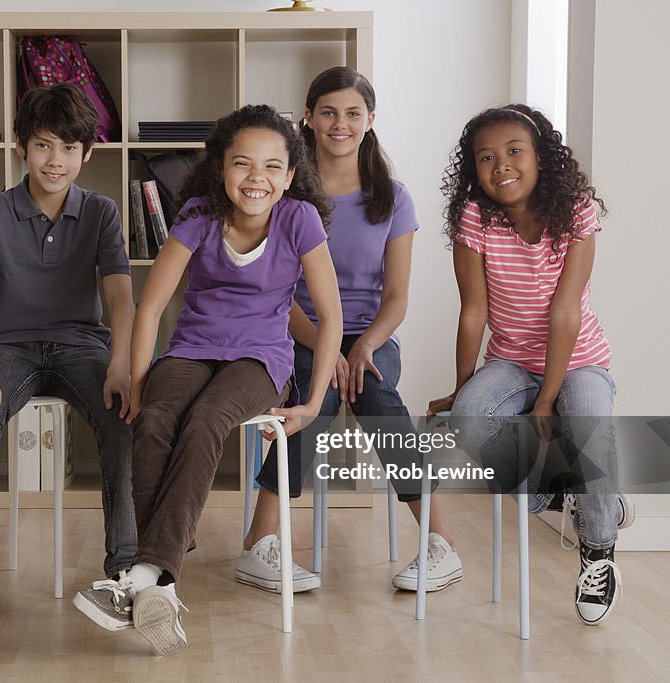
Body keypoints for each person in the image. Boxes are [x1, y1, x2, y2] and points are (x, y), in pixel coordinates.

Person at [74, 104, 343, 655]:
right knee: (152, 421)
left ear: (290, 175)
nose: (256, 178)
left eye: (272, 167)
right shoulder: (198, 213)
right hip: (193, 348)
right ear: (221, 167)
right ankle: (161, 586)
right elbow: (151, 309)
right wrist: (137, 378)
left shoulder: (299, 220)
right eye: (243, 163)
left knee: (205, 423)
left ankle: (145, 577)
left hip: (262, 358)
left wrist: (313, 403)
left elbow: (331, 318)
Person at [238, 66, 463, 595]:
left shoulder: (394, 197)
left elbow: (397, 297)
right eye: (329, 113)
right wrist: (324, 347)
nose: (341, 124)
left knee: (379, 398)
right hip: (295, 332)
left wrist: (360, 347)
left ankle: (440, 543)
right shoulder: (286, 191)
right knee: (305, 406)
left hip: (369, 336)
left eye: (353, 113)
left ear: (370, 120)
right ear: (309, 119)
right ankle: (259, 545)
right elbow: (278, 290)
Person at [0, 83, 137, 620]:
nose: (57, 160)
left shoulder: (102, 212)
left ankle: (127, 569)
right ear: (21, 145)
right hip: (10, 348)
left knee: (124, 415)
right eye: (45, 145)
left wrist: (121, 365)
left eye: (70, 148)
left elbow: (120, 295)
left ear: (88, 153)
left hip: (81, 346)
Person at [429, 103, 624, 625]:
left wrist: (545, 400)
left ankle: (599, 549)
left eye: (514, 151)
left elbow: (565, 312)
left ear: (542, 157)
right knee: (469, 418)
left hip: (579, 357)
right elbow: (474, 312)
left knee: (589, 426)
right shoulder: (475, 217)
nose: (501, 166)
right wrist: (460, 388)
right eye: (486, 157)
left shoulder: (575, 209)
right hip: (512, 360)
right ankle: (552, 494)